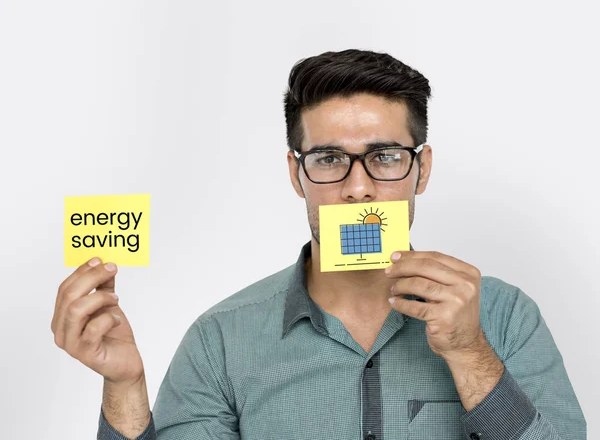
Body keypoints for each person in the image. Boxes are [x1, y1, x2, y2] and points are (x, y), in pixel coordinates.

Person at [51, 49, 586, 440]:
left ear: (421, 169)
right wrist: (124, 385)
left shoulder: (508, 317)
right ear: (296, 174)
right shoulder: (220, 341)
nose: (358, 187)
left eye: (385, 156)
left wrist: (471, 355)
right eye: (329, 159)